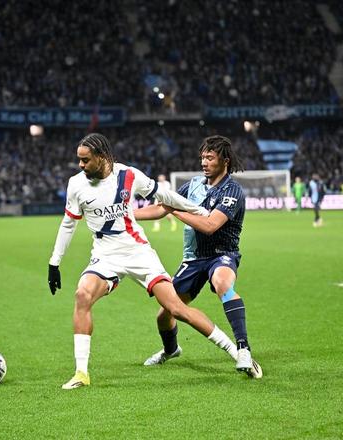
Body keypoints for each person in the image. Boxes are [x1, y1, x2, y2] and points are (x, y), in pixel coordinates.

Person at [48, 133, 240, 390]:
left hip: (138, 252)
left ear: (102, 157)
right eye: (79, 160)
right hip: (105, 255)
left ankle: (236, 352)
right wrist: (54, 263)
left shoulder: (128, 175)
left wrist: (200, 211)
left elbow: (166, 196)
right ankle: (81, 373)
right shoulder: (76, 184)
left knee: (176, 309)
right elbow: (68, 223)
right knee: (82, 295)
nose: (80, 165)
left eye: (85, 160)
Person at [134, 135, 262, 378]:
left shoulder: (232, 190)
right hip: (193, 258)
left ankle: (243, 349)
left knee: (223, 284)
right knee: (165, 314)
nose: (204, 162)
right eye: (202, 157)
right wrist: (127, 215)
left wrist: (176, 211)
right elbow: (161, 208)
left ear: (224, 160)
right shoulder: (192, 186)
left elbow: (210, 225)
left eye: (210, 158)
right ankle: (171, 350)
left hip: (222, 254)